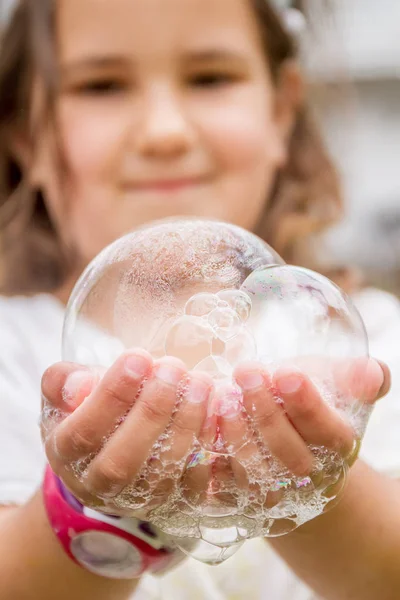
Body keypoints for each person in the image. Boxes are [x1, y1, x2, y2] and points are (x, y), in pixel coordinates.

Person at [0, 1, 399, 599]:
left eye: (210, 77)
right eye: (101, 85)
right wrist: (98, 507)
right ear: (28, 140)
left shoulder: (366, 339)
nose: (165, 131)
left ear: (282, 111)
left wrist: (308, 485)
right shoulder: (10, 353)